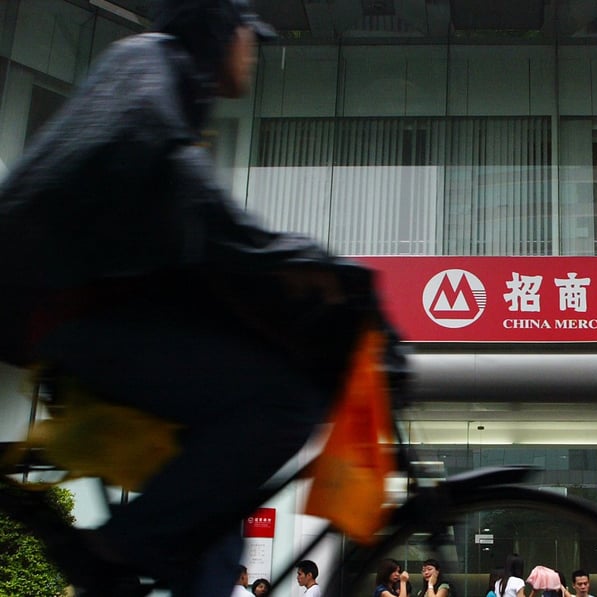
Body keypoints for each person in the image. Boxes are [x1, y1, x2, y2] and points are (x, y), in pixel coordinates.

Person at [0, 0, 401, 595]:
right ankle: (119, 546)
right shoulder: (149, 64)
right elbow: (194, 202)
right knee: (283, 403)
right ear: (218, 31)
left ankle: (160, 555)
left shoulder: (161, 83)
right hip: (65, 308)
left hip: (70, 304)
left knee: (217, 508)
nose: (253, 52)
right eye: (248, 36)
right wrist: (306, 263)